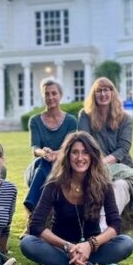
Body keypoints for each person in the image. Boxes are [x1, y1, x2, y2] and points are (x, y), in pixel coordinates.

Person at [21, 131, 133, 265]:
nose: (80, 158)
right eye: (75, 152)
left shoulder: (103, 185)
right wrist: (68, 247)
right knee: (27, 243)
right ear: (68, 156)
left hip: (93, 248)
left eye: (85, 152)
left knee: (126, 243)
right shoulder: (54, 185)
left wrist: (90, 245)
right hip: (61, 248)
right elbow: (36, 225)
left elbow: (115, 225)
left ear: (92, 156)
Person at [77, 77, 133, 219]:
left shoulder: (125, 118)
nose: (103, 94)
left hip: (120, 164)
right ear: (93, 94)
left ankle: (104, 225)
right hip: (92, 163)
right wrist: (96, 163)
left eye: (106, 90)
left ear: (113, 93)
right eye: (99, 90)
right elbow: (83, 140)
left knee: (120, 185)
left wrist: (103, 163)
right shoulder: (85, 115)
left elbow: (124, 148)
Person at [23, 77, 78, 212]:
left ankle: (32, 204)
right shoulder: (35, 120)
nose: (50, 97)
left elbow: (69, 147)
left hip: (63, 164)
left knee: (47, 163)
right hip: (40, 163)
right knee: (44, 162)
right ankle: (36, 209)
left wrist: (56, 154)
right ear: (43, 96)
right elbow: (35, 148)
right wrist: (45, 153)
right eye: (47, 94)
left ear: (60, 95)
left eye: (54, 93)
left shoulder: (71, 121)